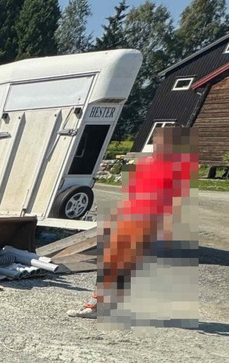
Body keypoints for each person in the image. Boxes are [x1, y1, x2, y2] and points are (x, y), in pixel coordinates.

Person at [69, 126, 199, 319]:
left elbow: (177, 200)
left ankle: (102, 307)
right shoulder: (145, 164)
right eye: (159, 141)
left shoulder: (179, 169)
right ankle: (99, 306)